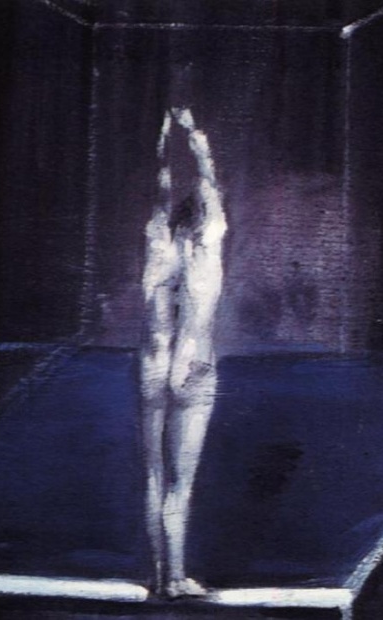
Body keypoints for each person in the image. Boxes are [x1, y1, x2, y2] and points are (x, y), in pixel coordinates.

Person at [140, 107, 227, 598]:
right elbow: (209, 183)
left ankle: (158, 577)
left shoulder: (159, 244)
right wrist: (195, 134)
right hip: (193, 367)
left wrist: (163, 138)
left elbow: (160, 188)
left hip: (152, 366)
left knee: (153, 475)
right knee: (181, 483)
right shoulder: (209, 246)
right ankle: (177, 577)